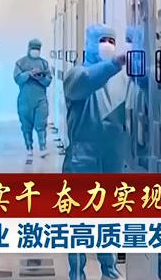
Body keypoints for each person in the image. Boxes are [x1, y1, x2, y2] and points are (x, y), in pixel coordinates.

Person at [62, 24, 128, 280]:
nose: (108, 45)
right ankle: (77, 274)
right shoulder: (76, 75)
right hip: (82, 160)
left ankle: (109, 271)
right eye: (103, 40)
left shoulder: (119, 79)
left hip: (112, 158)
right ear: (90, 44)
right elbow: (87, 82)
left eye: (112, 40)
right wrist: (115, 64)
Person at [13, 39, 52, 159]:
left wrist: (40, 77)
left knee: (41, 123)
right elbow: (17, 79)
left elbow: (48, 81)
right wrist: (28, 74)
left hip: (40, 99)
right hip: (25, 100)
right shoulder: (20, 63)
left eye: (38, 49)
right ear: (29, 48)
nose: (35, 51)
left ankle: (42, 147)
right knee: (26, 125)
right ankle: (29, 147)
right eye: (34, 48)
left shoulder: (44, 64)